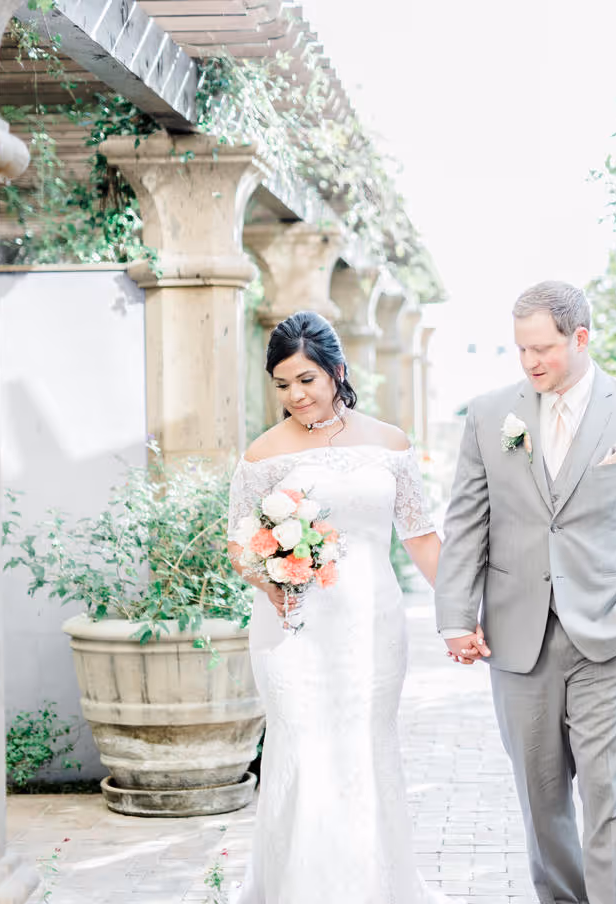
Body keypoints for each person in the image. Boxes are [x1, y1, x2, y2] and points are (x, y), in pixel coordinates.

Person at [435, 280, 616, 904]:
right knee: (542, 804)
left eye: (542, 348)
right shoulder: (492, 416)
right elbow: (467, 522)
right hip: (519, 643)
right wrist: (454, 617)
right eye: (521, 349)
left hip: (611, 639)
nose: (530, 362)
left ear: (580, 337)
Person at [226, 311, 450, 904]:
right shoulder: (263, 454)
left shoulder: (389, 443)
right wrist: (265, 575)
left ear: (336, 371)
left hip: (371, 626)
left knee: (363, 751)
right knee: (302, 750)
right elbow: (238, 544)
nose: (295, 395)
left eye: (306, 379)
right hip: (292, 627)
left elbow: (422, 537)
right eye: (282, 384)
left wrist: (460, 611)